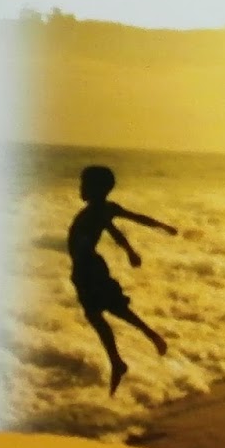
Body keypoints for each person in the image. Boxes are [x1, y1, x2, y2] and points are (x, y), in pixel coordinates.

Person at [67, 164, 176, 395]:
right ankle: (127, 353)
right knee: (104, 311)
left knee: (104, 311)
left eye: (84, 185)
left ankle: (127, 354)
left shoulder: (96, 211)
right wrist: (131, 249)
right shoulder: (102, 209)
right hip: (86, 267)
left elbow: (131, 221)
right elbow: (117, 228)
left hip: (88, 268)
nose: (81, 188)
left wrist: (160, 228)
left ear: (96, 189)